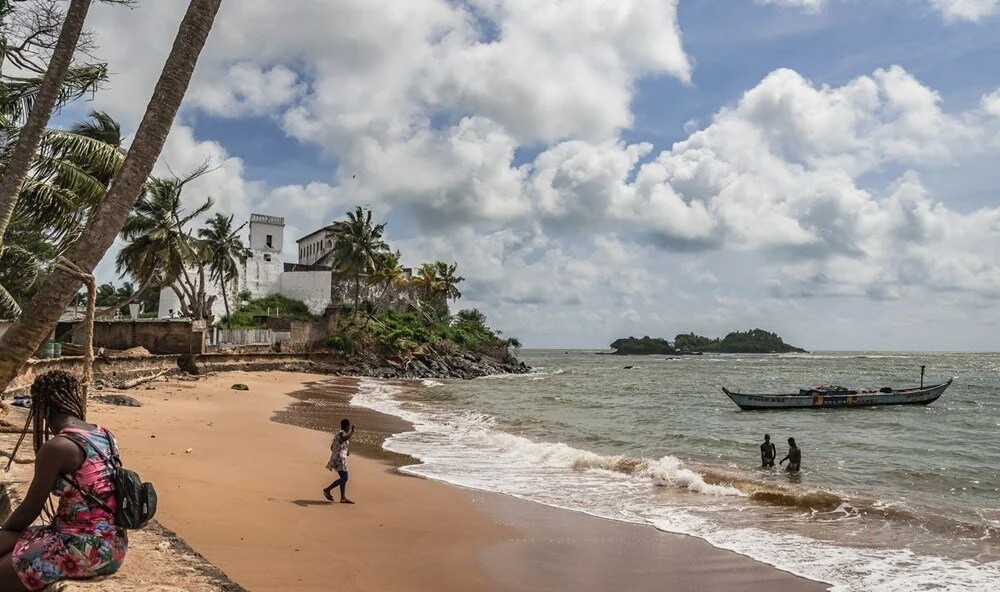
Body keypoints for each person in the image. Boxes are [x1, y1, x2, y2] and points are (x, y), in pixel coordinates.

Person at [0, 370, 128, 591]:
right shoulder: (105, 434)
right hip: (114, 544)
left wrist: (4, 530)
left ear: (42, 408)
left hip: (84, 547)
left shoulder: (58, 447)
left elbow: (28, 511)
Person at [323, 419, 356, 504]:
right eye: (349, 427)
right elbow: (343, 439)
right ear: (347, 426)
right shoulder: (341, 433)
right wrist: (352, 432)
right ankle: (327, 489)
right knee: (345, 478)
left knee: (343, 478)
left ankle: (343, 498)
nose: (349, 429)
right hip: (340, 459)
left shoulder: (338, 434)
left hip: (338, 457)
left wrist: (345, 450)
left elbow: (332, 446)